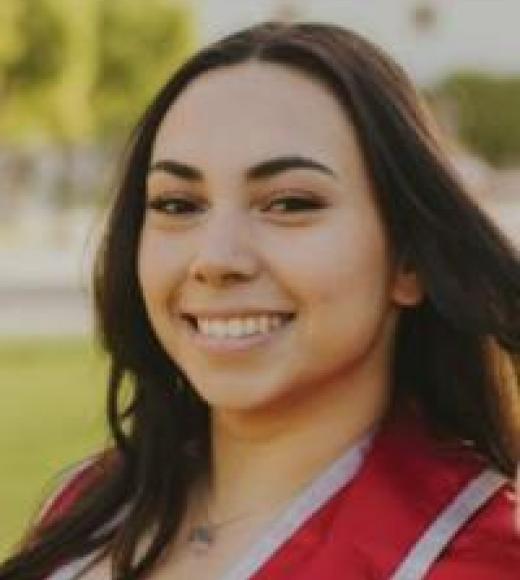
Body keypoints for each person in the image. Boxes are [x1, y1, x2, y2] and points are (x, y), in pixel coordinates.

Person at [1, 21, 519, 580]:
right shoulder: (89, 508)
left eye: (290, 203)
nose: (216, 258)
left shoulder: (469, 556)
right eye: (178, 205)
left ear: (409, 260)